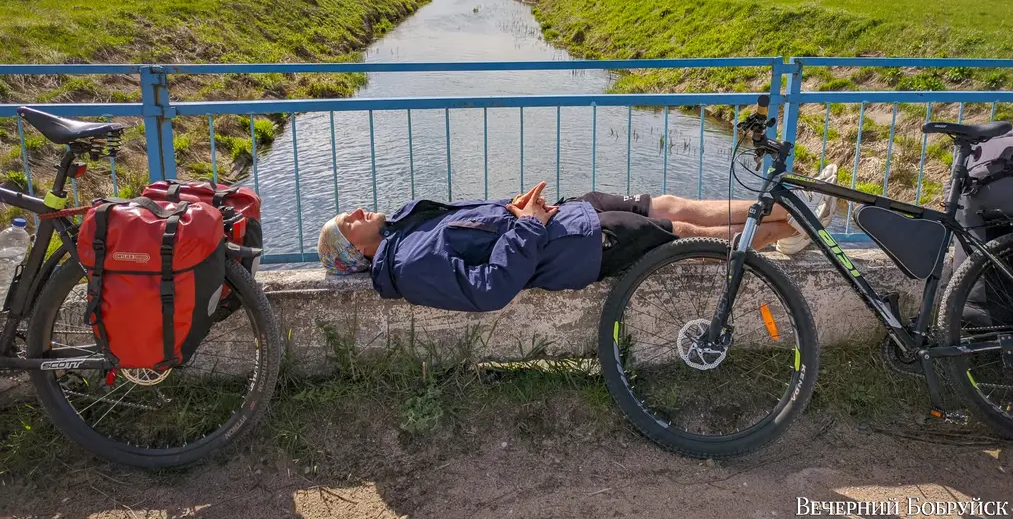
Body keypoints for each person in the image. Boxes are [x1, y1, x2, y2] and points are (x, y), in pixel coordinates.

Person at [318, 167, 837, 312]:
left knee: (674, 205)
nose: (358, 211)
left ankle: (791, 216)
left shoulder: (405, 227)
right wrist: (526, 224)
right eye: (349, 221)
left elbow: (479, 229)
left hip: (567, 216)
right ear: (354, 250)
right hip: (577, 247)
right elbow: (487, 289)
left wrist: (515, 209)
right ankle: (791, 230)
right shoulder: (407, 266)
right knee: (687, 234)